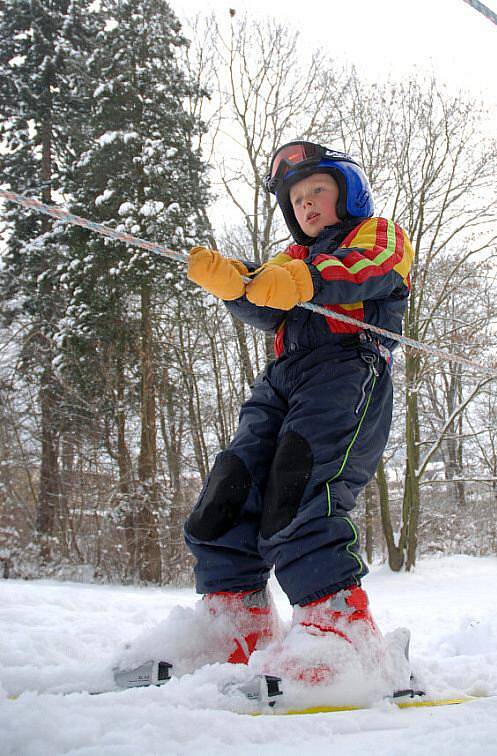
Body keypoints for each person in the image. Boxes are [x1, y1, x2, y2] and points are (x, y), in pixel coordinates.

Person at [115, 141, 415, 688]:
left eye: (317, 190)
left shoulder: (376, 234)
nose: (306, 205)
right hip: (283, 376)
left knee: (298, 490)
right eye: (296, 199)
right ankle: (235, 622)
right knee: (231, 487)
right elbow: (267, 297)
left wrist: (307, 281)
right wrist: (237, 286)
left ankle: (340, 632)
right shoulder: (291, 258)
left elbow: (372, 270)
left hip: (348, 367)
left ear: (347, 191)